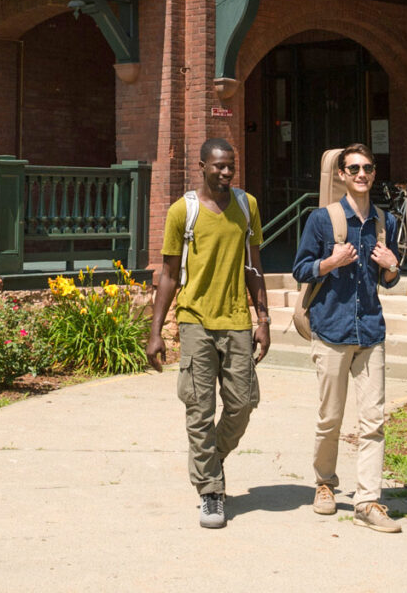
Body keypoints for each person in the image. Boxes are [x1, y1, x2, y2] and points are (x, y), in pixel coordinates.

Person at [145, 138, 270, 530]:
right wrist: (156, 331)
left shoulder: (247, 207)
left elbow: (255, 268)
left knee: (244, 402)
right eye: (218, 166)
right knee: (199, 410)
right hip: (195, 320)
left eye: (231, 166)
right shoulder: (185, 210)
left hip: (236, 321)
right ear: (201, 166)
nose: (227, 172)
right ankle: (211, 492)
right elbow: (167, 274)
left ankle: (207, 462)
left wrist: (263, 319)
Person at [291, 142, 404, 533]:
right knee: (331, 418)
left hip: (370, 331)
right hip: (332, 330)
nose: (361, 174)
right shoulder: (322, 221)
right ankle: (325, 483)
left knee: (373, 421)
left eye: (367, 168)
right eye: (353, 168)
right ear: (341, 174)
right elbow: (301, 270)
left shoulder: (383, 222)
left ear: (374, 173)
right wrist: (330, 262)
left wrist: (393, 267)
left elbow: (385, 279)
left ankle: (368, 501)